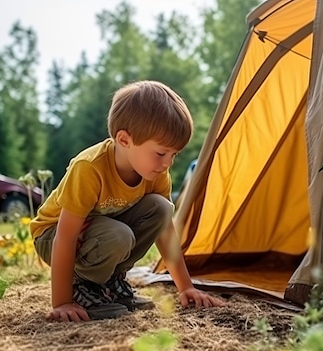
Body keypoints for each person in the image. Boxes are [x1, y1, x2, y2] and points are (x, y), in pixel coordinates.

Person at [30, 80, 224, 322]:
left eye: (174, 154)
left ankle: (111, 283)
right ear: (124, 140)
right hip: (52, 235)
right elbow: (65, 236)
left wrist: (186, 287)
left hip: (102, 233)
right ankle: (82, 288)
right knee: (118, 235)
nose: (168, 163)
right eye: (161, 153)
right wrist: (62, 302)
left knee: (161, 208)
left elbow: (165, 231)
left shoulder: (156, 173)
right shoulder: (90, 168)